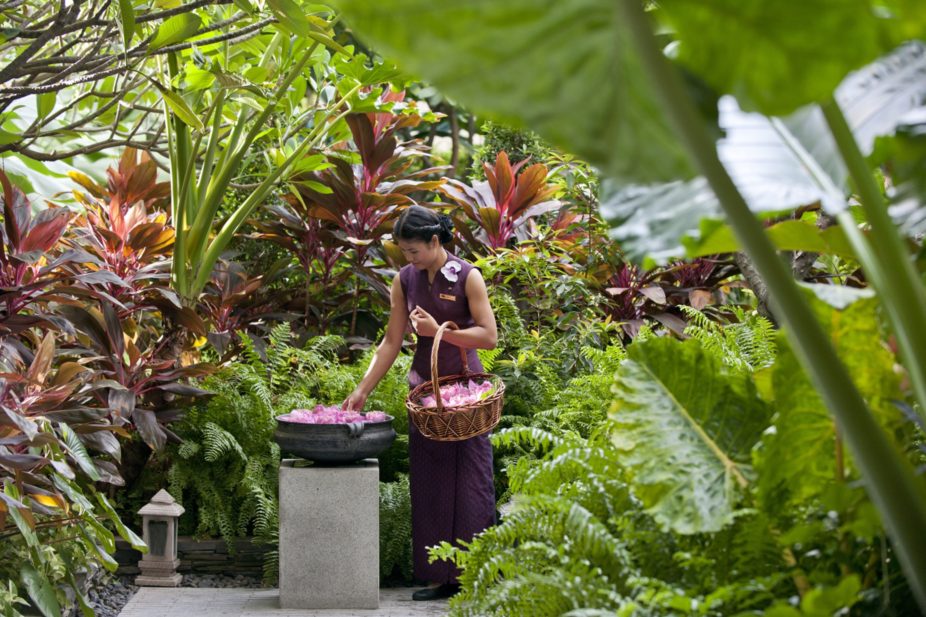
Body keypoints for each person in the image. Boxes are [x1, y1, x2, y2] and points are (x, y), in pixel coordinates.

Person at [343, 205, 498, 601]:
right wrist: (362, 390)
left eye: (413, 251)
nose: (408, 259)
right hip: (425, 395)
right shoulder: (405, 280)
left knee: (471, 482)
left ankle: (472, 575)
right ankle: (435, 576)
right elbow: (392, 342)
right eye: (403, 252)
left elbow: (488, 337)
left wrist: (438, 333)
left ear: (434, 241)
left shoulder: (468, 276)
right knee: (430, 482)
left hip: (466, 395)